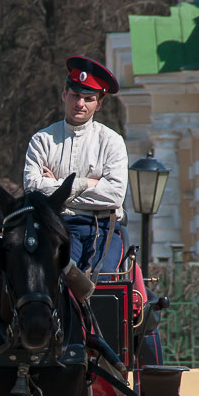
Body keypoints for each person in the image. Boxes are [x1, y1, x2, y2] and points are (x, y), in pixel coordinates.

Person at [23, 55, 127, 275]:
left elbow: (115, 195)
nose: (80, 104)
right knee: (57, 280)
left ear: (99, 104)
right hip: (57, 226)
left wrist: (57, 187)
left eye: (89, 98)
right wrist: (88, 184)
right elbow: (32, 188)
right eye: (75, 95)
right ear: (64, 95)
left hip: (102, 229)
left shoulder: (112, 142)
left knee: (103, 282)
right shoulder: (42, 140)